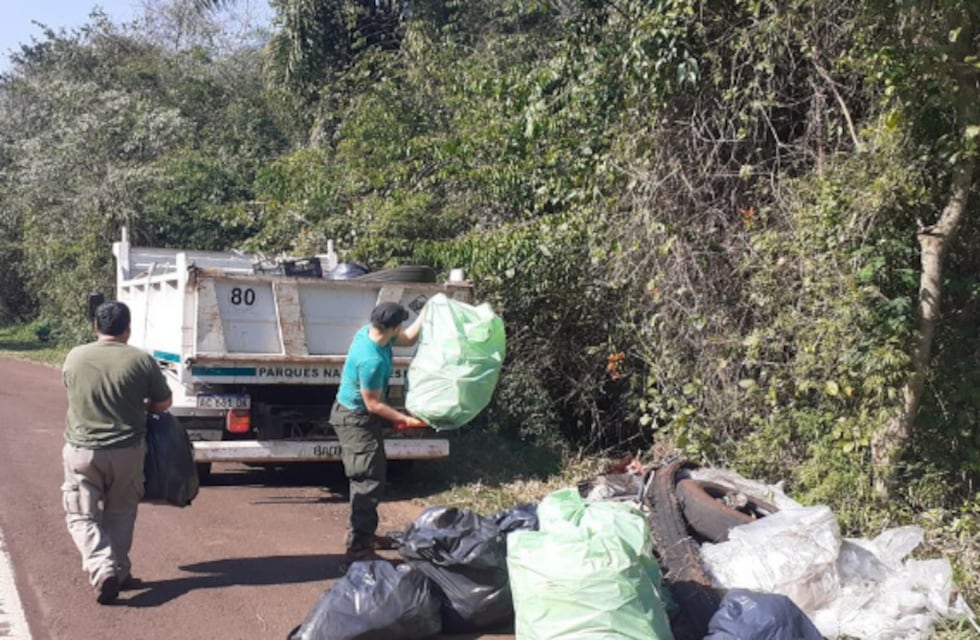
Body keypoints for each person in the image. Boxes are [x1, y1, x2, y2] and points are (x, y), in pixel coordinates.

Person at [61, 301, 173, 604]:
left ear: (95, 327)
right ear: (128, 329)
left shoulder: (75, 357)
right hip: (127, 452)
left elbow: (72, 392)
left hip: (82, 451)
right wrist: (144, 407)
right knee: (121, 513)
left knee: (81, 515)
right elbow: (163, 404)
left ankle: (101, 567)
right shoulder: (141, 360)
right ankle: (119, 572)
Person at [330, 301, 427, 560]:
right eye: (400, 325)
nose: (401, 330)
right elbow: (374, 404)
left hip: (359, 414)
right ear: (393, 326)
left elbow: (406, 339)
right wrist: (405, 420)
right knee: (367, 480)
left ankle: (365, 534)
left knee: (374, 474)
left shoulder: (370, 332)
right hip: (355, 419)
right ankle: (358, 547)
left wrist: (427, 314)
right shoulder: (371, 360)